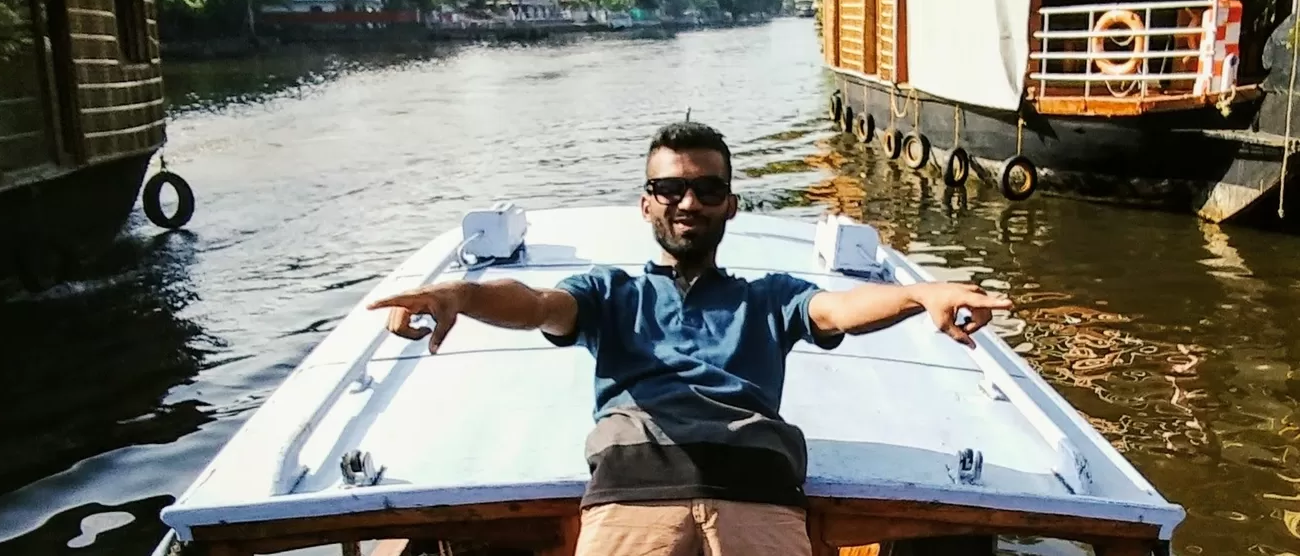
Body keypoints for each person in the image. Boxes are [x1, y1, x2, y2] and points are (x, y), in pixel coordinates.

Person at [367, 121, 1012, 556]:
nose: (687, 201)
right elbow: (536, 303)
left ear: (730, 204)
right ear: (647, 203)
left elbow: (840, 308)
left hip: (757, 491)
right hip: (632, 489)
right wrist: (459, 295)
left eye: (706, 189)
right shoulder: (610, 294)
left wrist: (918, 294)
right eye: (670, 188)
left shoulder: (768, 297)